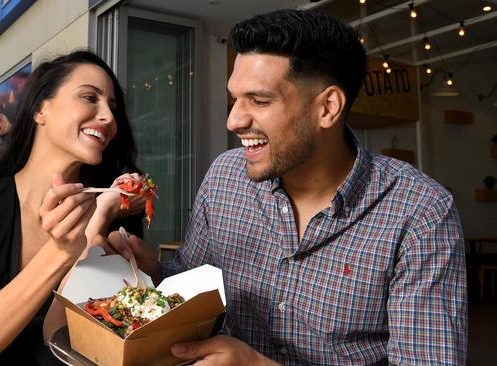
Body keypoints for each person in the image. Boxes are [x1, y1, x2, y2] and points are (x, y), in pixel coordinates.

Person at [99, 9, 467, 365]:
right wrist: (154, 271)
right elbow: (194, 280)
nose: (234, 120)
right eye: (234, 99)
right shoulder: (226, 177)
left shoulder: (420, 212)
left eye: (259, 101)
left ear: (328, 108)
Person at [0, 50, 146, 365]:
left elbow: (75, 346)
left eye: (112, 108)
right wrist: (61, 251)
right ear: (40, 109)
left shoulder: (116, 210)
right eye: (90, 97)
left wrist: (100, 223)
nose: (109, 117)